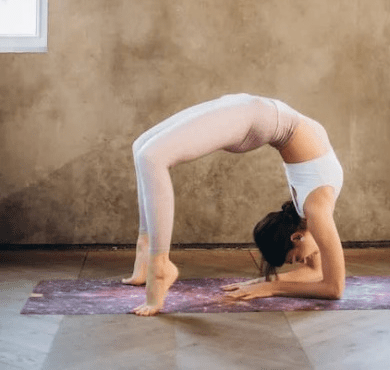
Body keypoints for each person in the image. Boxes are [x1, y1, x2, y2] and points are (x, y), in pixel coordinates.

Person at [122, 93, 344, 316]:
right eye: (297, 258)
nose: (303, 262)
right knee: (147, 153)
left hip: (253, 109)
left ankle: (146, 247)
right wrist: (271, 287)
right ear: (296, 237)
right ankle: (159, 264)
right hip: (255, 117)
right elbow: (334, 288)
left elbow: (315, 272)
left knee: (146, 152)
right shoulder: (317, 210)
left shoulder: (306, 213)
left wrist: (265, 283)